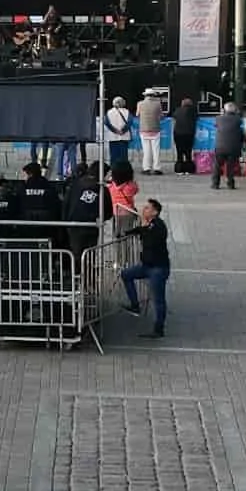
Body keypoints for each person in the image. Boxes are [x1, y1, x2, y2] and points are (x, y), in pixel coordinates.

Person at [117, 198, 171, 339]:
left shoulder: (158, 226)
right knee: (126, 274)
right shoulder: (149, 225)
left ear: (155, 212)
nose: (143, 210)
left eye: (147, 208)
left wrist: (144, 225)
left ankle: (159, 328)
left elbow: (150, 239)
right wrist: (126, 233)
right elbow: (140, 230)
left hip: (158, 268)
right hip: (146, 266)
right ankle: (135, 304)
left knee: (158, 299)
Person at [212, 102, 243, 190]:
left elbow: (216, 125)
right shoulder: (238, 119)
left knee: (217, 165)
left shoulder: (218, 118)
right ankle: (230, 184)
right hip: (233, 147)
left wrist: (222, 114)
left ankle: (215, 184)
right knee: (230, 166)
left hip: (220, 146)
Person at [136, 91, 165, 175]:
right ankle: (157, 168)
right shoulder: (157, 104)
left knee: (146, 150)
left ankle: (146, 168)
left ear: (145, 95)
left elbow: (137, 115)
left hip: (144, 130)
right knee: (156, 150)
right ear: (153, 95)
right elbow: (162, 116)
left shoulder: (140, 103)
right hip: (155, 129)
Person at [102, 96, 133, 170]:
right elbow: (130, 122)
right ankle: (124, 169)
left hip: (113, 137)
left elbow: (106, 122)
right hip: (124, 136)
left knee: (113, 155)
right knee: (123, 155)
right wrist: (123, 130)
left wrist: (115, 131)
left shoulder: (109, 112)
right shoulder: (127, 112)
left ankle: (113, 169)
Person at [172, 95, 198, 176]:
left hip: (178, 133)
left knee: (179, 152)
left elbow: (174, 116)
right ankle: (189, 169)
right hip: (189, 133)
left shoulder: (178, 110)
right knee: (188, 152)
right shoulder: (193, 111)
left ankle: (179, 169)